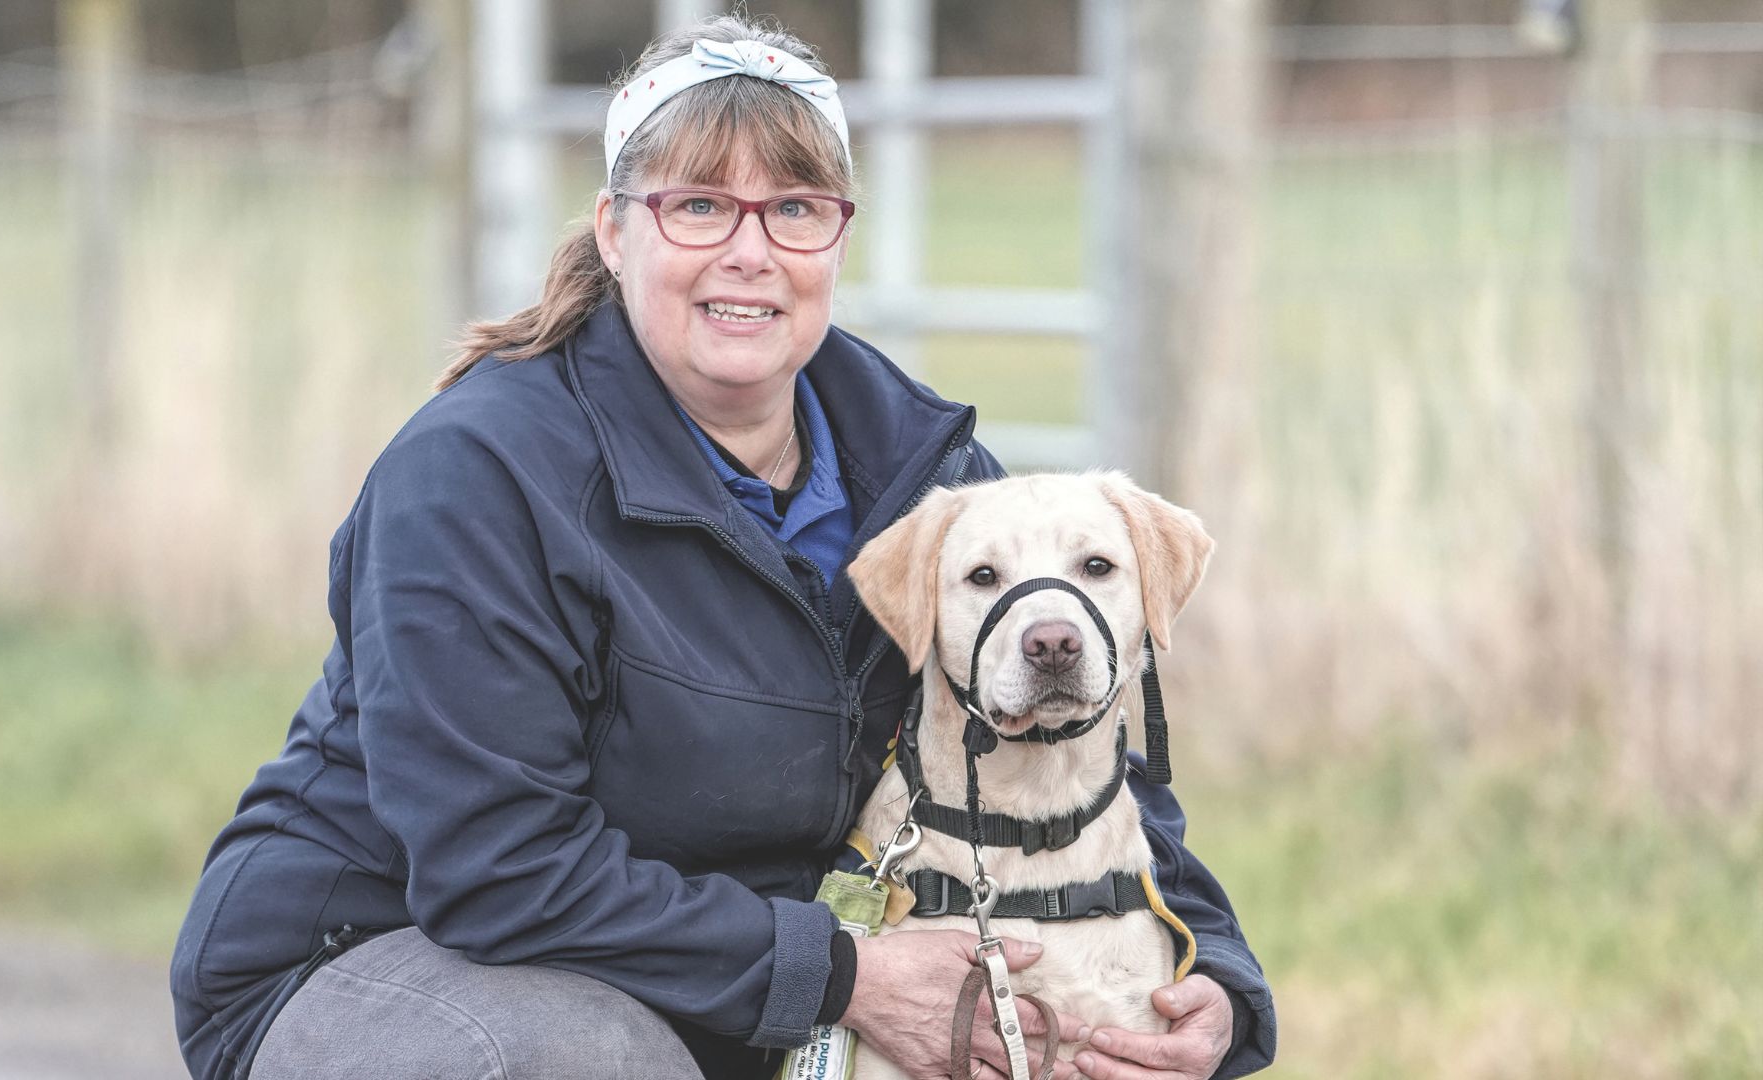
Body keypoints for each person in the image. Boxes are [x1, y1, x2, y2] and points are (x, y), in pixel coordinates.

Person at [169, 13, 1276, 1080]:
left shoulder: (929, 482)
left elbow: (1084, 755)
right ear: (615, 231)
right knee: (595, 1064)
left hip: (727, 976)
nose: (751, 252)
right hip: (385, 957)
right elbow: (492, 870)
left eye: (794, 209)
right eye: (699, 206)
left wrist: (1211, 976)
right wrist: (844, 978)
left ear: (838, 237)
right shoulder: (476, 476)